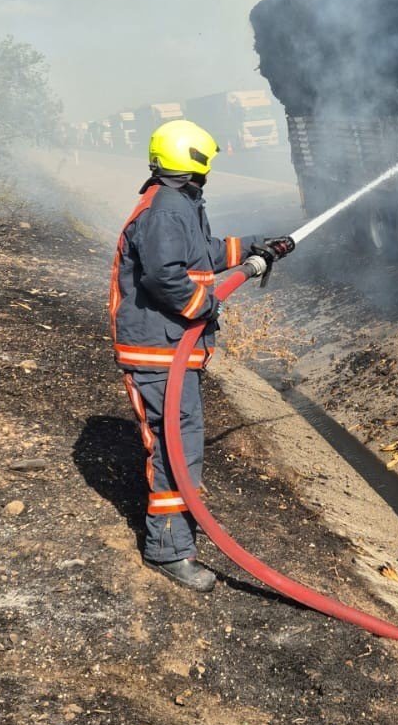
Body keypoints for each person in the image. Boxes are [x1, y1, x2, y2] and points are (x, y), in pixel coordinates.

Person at [109, 118, 293, 591]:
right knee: (174, 448)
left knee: (182, 440)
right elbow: (165, 277)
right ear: (196, 161)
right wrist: (207, 304)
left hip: (168, 351)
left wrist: (252, 249)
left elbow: (201, 252)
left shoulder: (176, 203)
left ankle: (173, 541)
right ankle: (167, 551)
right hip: (157, 351)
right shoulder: (168, 210)